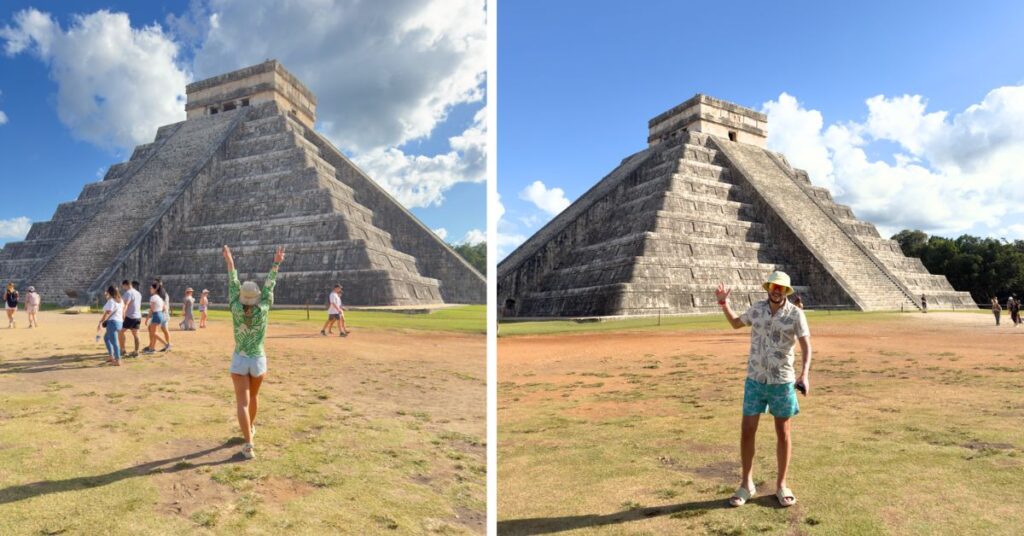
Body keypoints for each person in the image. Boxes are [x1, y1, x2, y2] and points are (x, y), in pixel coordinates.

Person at [715, 271, 811, 508]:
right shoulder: (757, 309)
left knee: (783, 433)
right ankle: (746, 483)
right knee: (747, 430)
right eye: (773, 286)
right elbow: (737, 323)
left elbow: (807, 347)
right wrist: (723, 303)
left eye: (781, 287)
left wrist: (804, 374)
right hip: (755, 379)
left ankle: (781, 484)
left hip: (782, 380)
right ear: (768, 287)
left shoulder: (796, 314)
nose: (776, 290)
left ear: (786, 291)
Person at [223, 244, 284, 460]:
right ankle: (252, 427)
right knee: (254, 396)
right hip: (258, 359)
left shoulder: (235, 307)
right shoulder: (263, 308)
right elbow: (270, 285)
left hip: (240, 358)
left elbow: (232, 280)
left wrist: (230, 260)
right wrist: (276, 262)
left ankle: (248, 443)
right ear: (256, 296)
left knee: (242, 402)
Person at [98, 286, 125, 366]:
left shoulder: (111, 301)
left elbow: (108, 312)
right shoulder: (121, 300)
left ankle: (117, 360)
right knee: (106, 338)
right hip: (119, 322)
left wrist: (100, 322)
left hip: (112, 323)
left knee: (114, 342)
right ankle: (111, 356)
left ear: (109, 292)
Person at [143, 283, 170, 353]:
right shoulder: (160, 298)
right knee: (153, 332)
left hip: (156, 315)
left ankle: (166, 344)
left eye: (151, 288)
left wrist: (146, 319)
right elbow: (164, 308)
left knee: (154, 333)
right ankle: (152, 348)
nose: (150, 290)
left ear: (155, 289)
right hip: (160, 314)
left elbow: (151, 309)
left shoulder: (153, 297)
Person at [119, 280, 143, 357]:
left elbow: (125, 304)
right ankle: (136, 352)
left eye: (123, 286)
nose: (123, 288)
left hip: (129, 316)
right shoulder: (138, 293)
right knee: (136, 334)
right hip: (137, 316)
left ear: (126, 285)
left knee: (121, 332)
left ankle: (123, 350)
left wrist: (122, 315)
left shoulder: (128, 293)